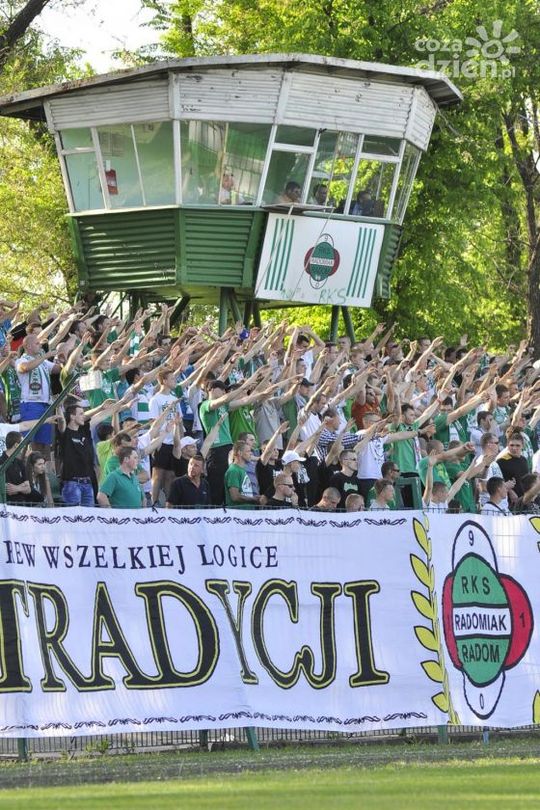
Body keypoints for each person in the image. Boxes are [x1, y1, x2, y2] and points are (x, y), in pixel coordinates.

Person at [15, 333, 61, 455]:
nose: (40, 345)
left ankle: (42, 465)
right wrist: (45, 356)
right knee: (27, 440)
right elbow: (24, 368)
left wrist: (64, 360)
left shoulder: (43, 362)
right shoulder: (21, 360)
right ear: (28, 346)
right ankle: (23, 464)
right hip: (30, 404)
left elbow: (57, 369)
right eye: (37, 343)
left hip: (46, 404)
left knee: (44, 442)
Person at [57, 403, 96, 507]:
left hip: (88, 483)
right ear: (72, 416)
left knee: (90, 516)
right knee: (73, 516)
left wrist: (102, 407)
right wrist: (58, 405)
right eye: (81, 414)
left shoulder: (83, 432)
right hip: (72, 483)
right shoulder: (65, 433)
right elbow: (61, 421)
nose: (84, 416)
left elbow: (93, 417)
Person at [224, 440, 262, 509]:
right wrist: (253, 499)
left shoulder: (242, 470)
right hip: (238, 513)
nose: (251, 454)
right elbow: (235, 497)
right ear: (240, 453)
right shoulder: (233, 471)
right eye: (248, 451)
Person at [0, 431, 31, 504]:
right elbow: (8, 490)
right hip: (7, 506)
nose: (24, 446)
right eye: (22, 443)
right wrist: (22, 487)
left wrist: (17, 488)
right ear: (16, 445)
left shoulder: (20, 462)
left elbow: (28, 489)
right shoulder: (1, 462)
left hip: (22, 505)